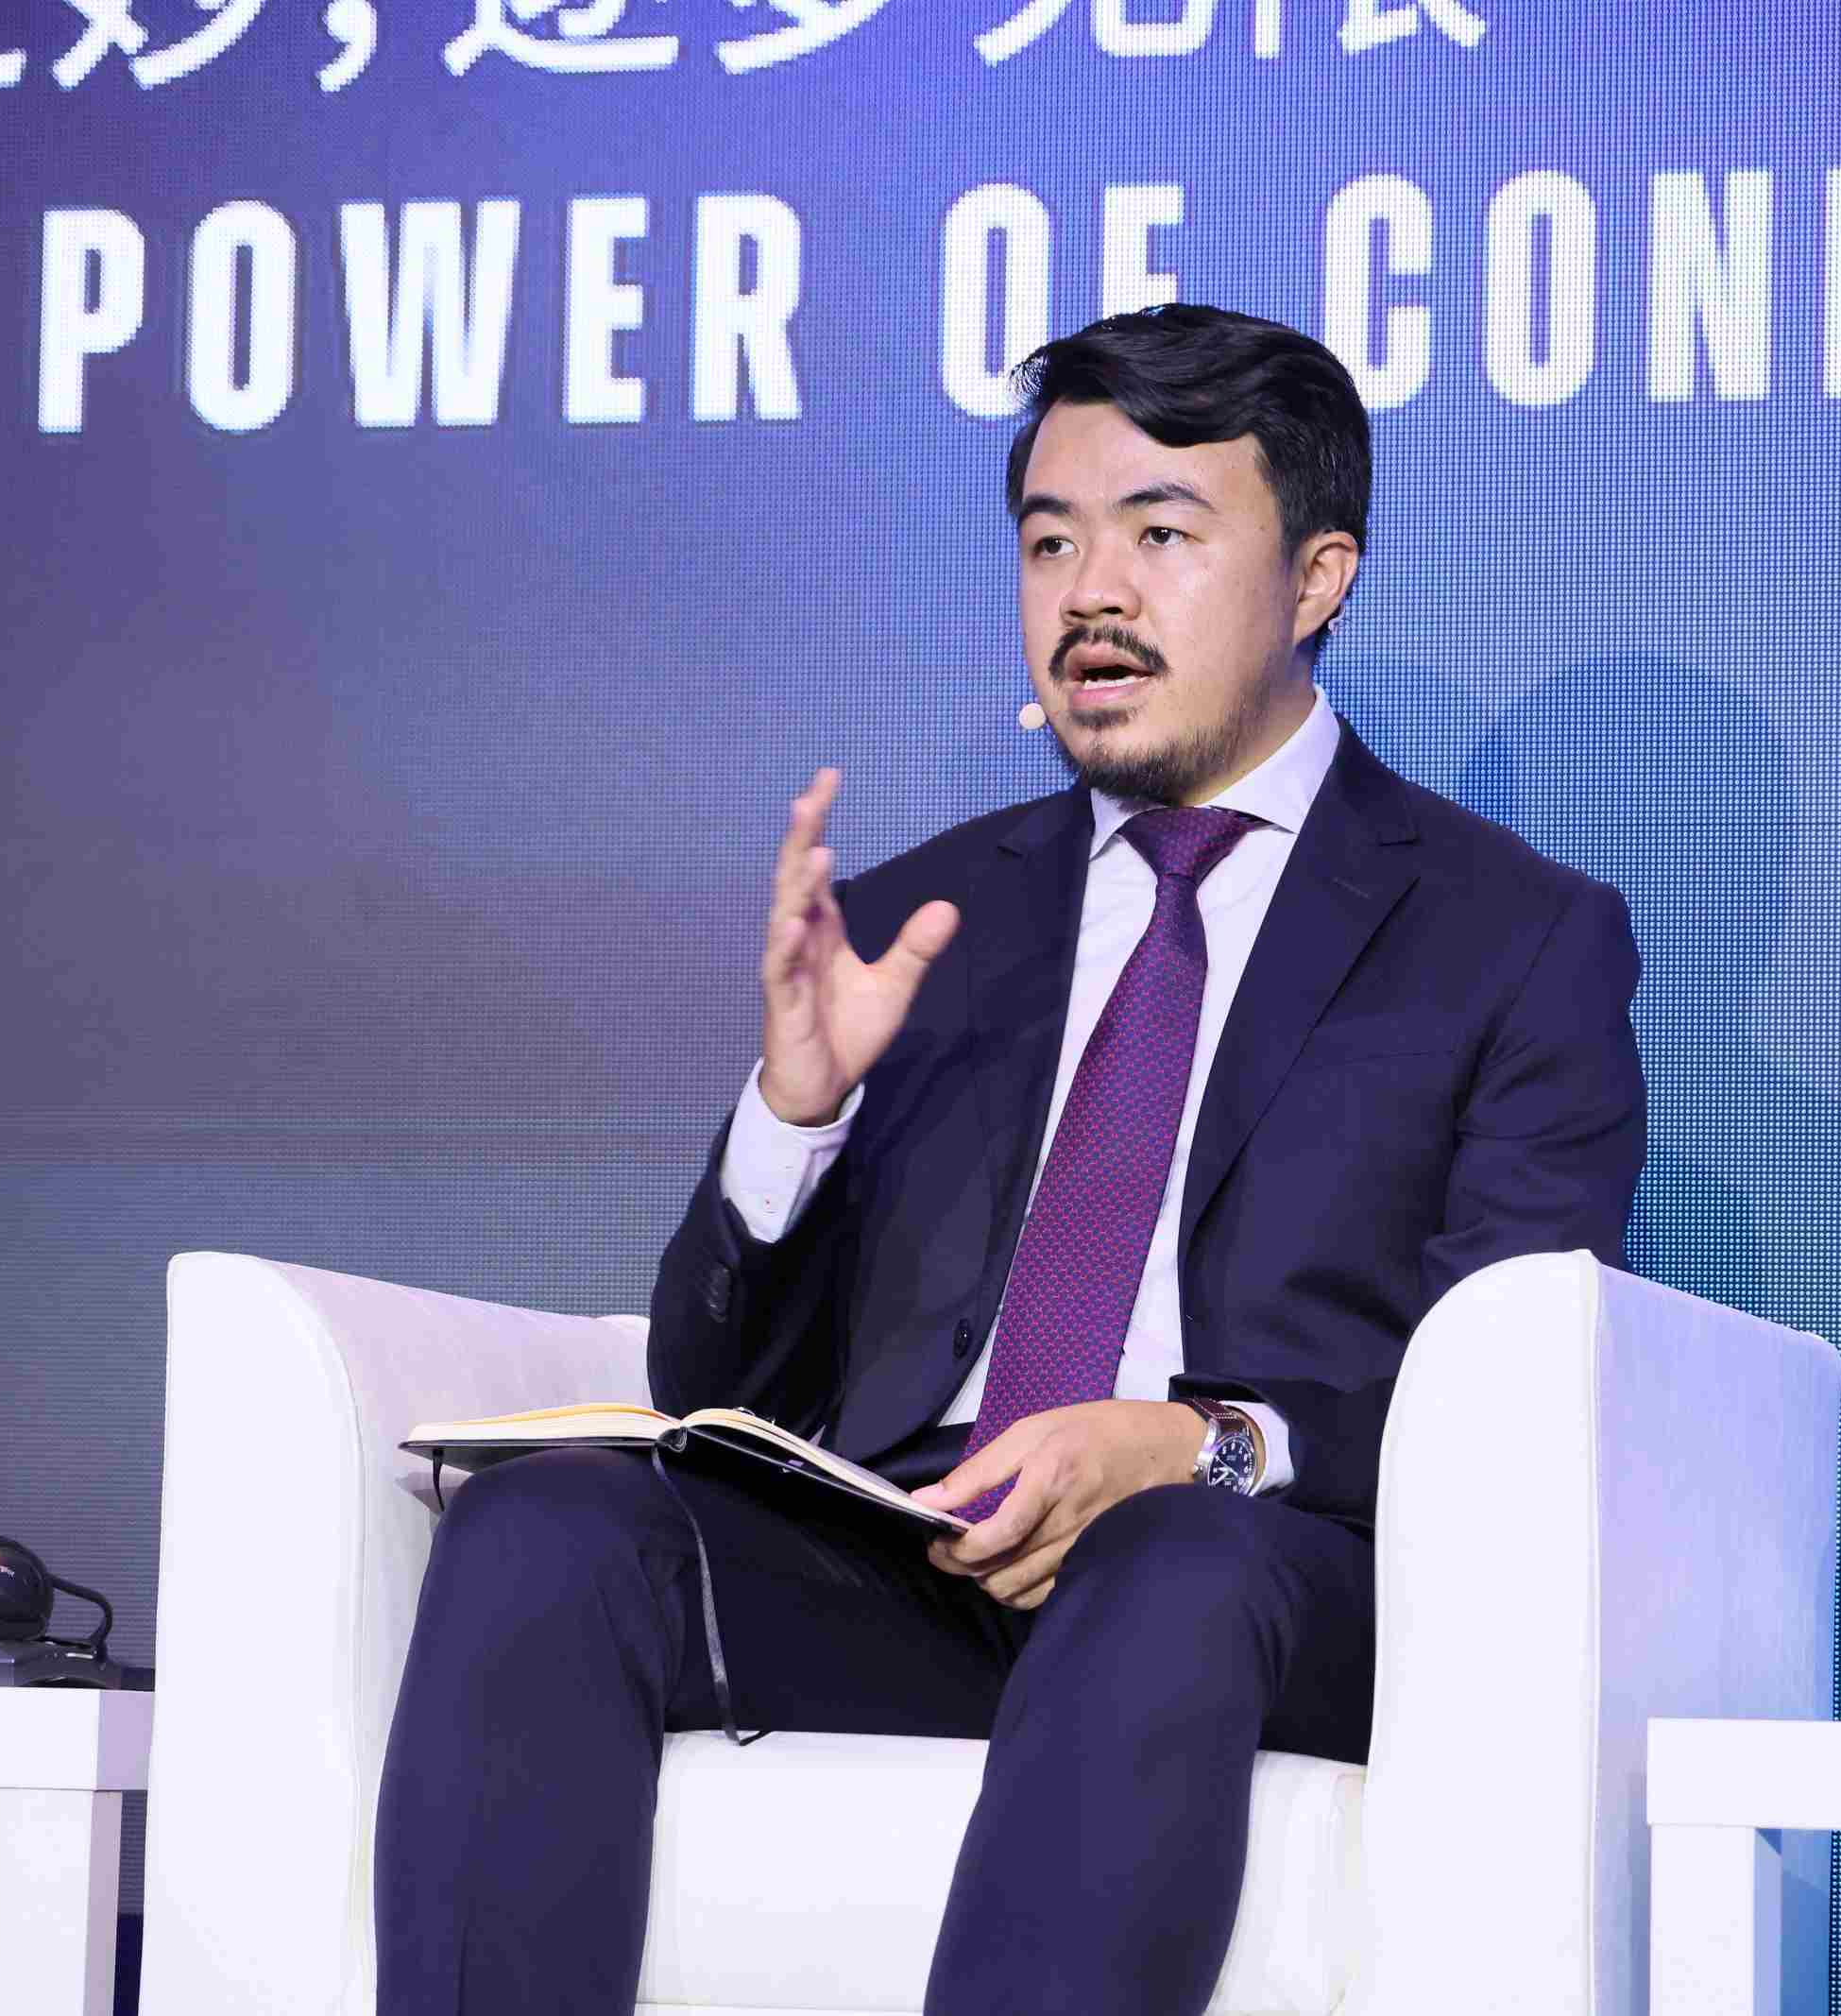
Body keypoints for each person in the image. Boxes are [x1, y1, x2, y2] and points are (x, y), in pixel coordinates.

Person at [375, 304, 1647, 2015]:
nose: (1091, 595)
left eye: (1161, 534)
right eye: (1051, 541)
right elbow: (714, 1378)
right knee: (546, 1531)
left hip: (1252, 1579)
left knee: (1171, 1551)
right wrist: (795, 1110)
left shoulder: (1508, 936)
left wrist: (1196, 1446)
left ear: (1318, 574)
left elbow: (1510, 1379)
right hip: (920, 1552)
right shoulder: (925, 920)